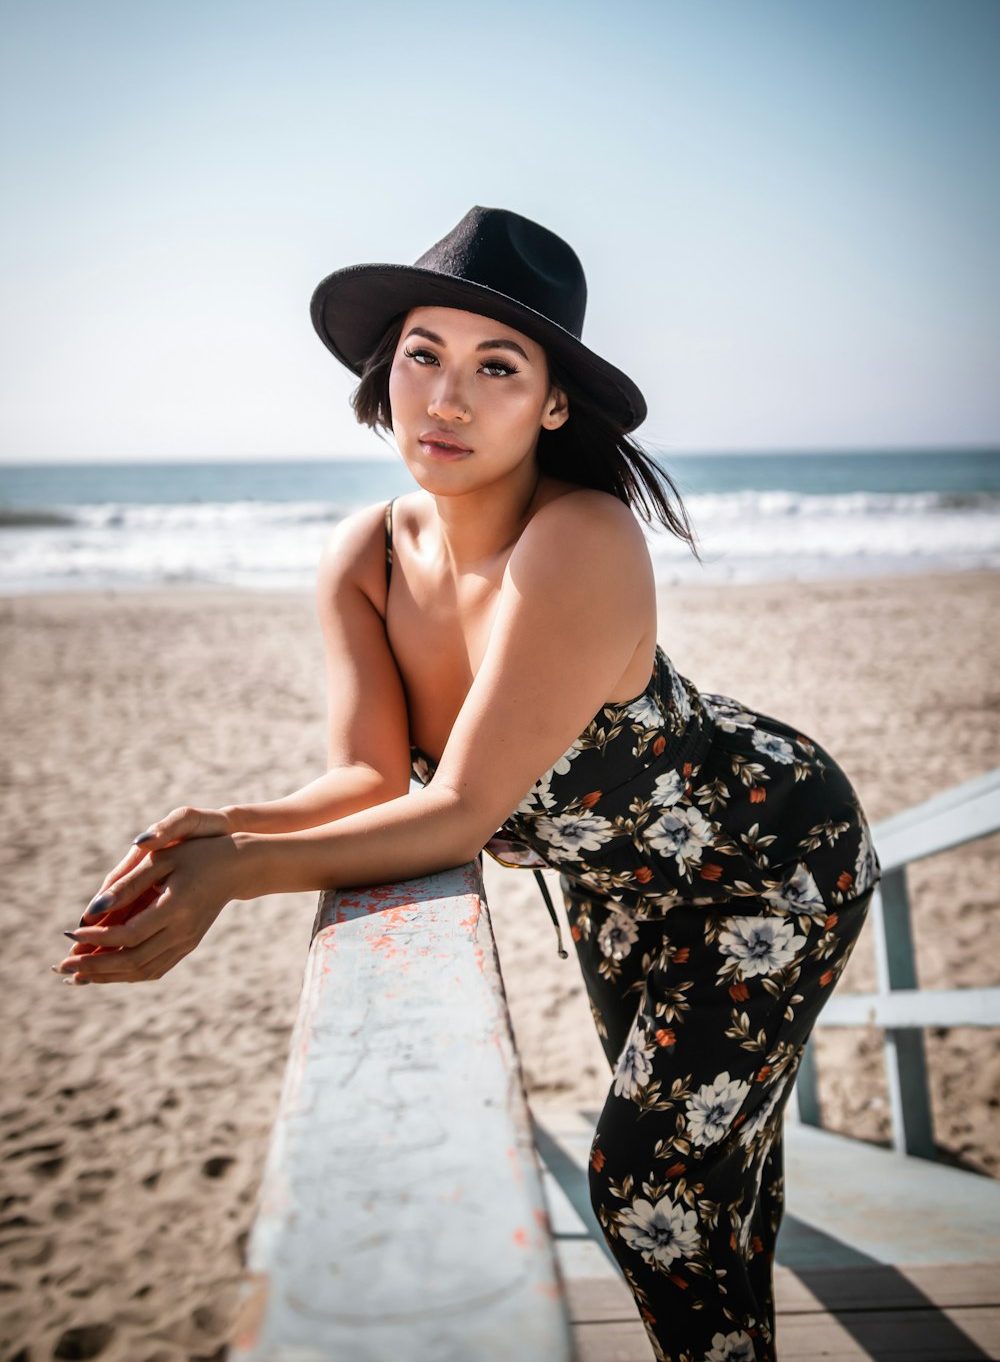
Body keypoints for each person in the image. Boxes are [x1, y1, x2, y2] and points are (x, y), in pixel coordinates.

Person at [57, 206, 880, 1362]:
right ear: (381, 374)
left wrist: (236, 878)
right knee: (710, 1167)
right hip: (616, 880)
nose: (445, 399)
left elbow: (458, 814)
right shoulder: (368, 555)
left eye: (496, 368)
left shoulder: (581, 536)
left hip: (768, 869)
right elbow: (367, 775)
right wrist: (221, 824)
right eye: (421, 358)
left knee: (648, 1186)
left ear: (551, 404)